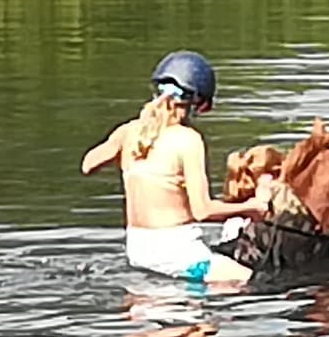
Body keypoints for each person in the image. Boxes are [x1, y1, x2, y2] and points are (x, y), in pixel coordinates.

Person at [80, 51, 258, 285]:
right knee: (251, 282)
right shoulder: (188, 140)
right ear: (199, 104)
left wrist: (131, 156)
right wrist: (250, 208)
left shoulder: (129, 132)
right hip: (178, 253)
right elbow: (202, 211)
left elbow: (88, 165)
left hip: (138, 250)